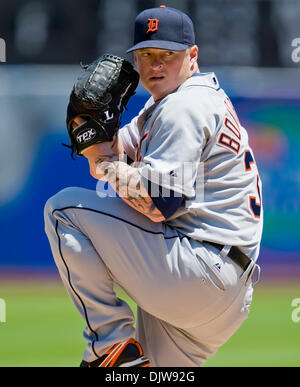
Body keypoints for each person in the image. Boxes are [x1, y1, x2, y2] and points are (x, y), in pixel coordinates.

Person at [44, 5, 263, 367]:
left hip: (199, 269)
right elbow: (114, 158)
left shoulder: (184, 107)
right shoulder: (176, 104)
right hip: (223, 292)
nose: (155, 64)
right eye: (146, 54)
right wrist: (92, 137)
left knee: (63, 210)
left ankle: (108, 344)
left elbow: (161, 202)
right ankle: (117, 357)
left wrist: (102, 161)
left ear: (192, 56)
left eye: (167, 54)